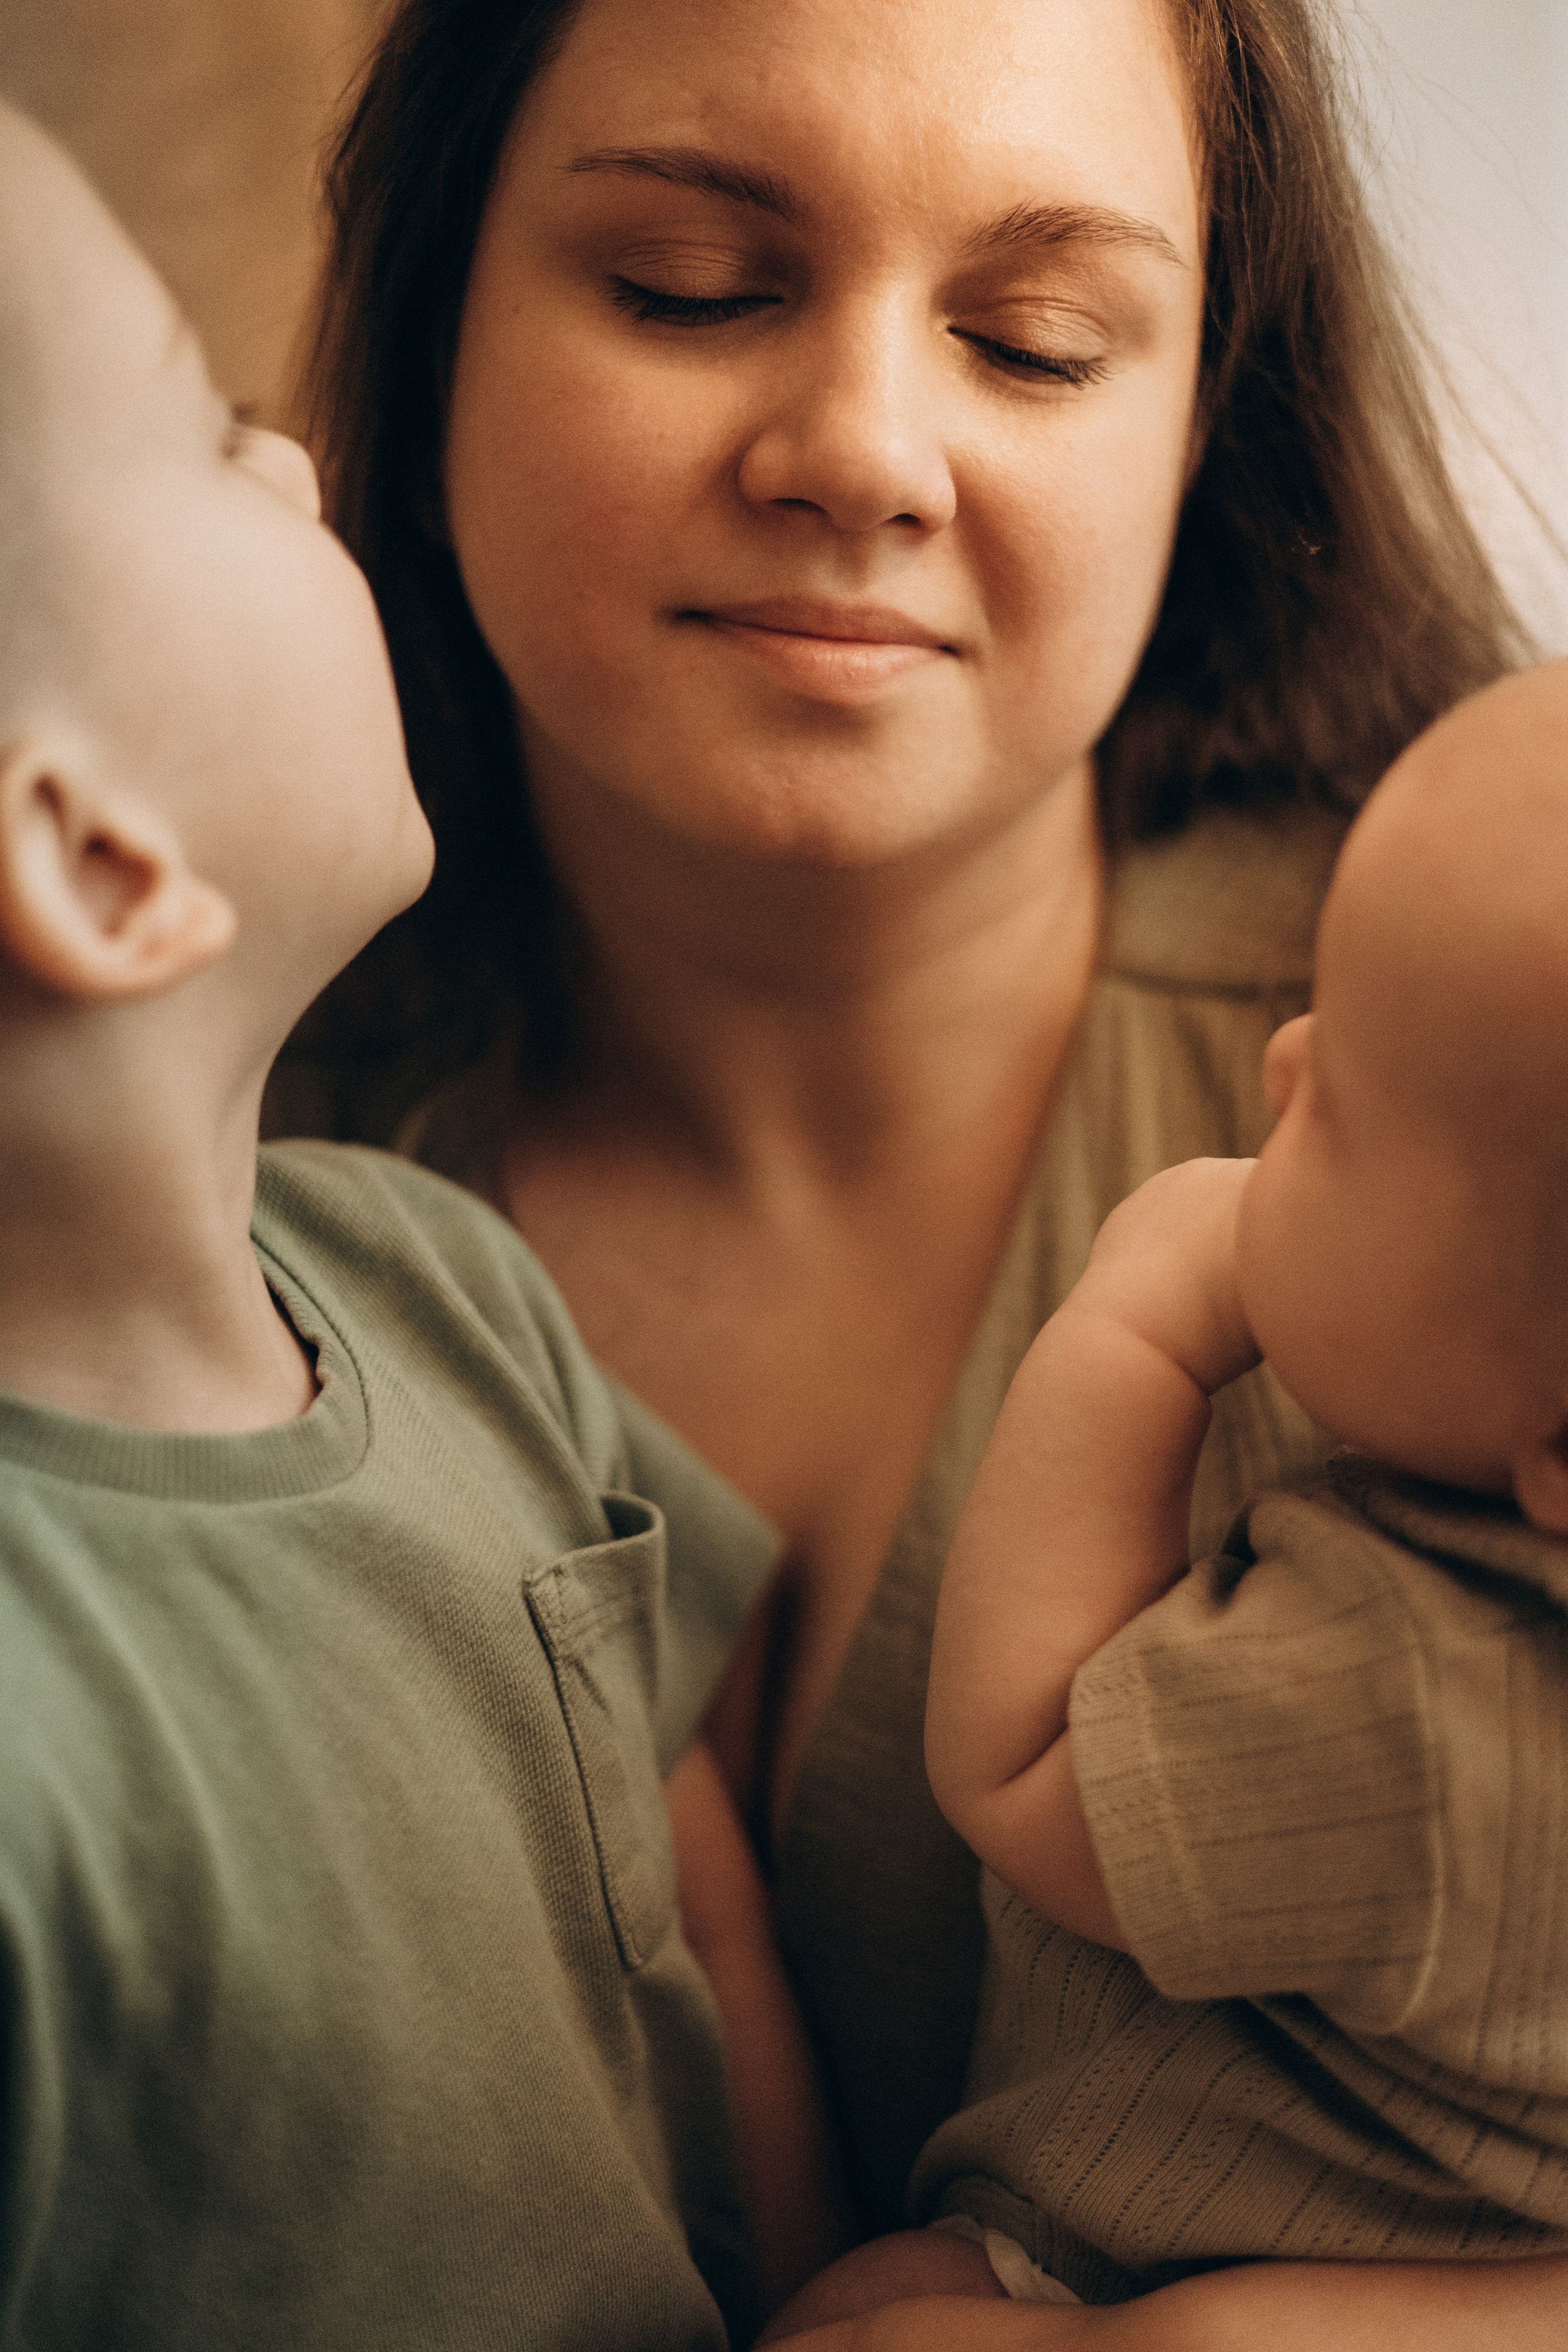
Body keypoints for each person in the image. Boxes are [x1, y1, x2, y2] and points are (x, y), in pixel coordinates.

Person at [275, 0, 1568, 2335]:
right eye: (689, 284)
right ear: (435, 296)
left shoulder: (1532, 1129)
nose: (866, 450)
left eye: (1037, 341)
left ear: (1207, 412)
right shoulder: (161, 1147)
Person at [0, 103, 801, 2351]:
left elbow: (692, 1907)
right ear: (100, 870)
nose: (296, 463)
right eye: (203, 426)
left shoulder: (444, 1283)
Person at [748, 658, 1568, 2334]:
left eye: (1347, 1117)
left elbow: (1026, 1764)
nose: (1282, 1061)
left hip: (1109, 2271)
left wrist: (1132, 1330)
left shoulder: (1417, 1706)